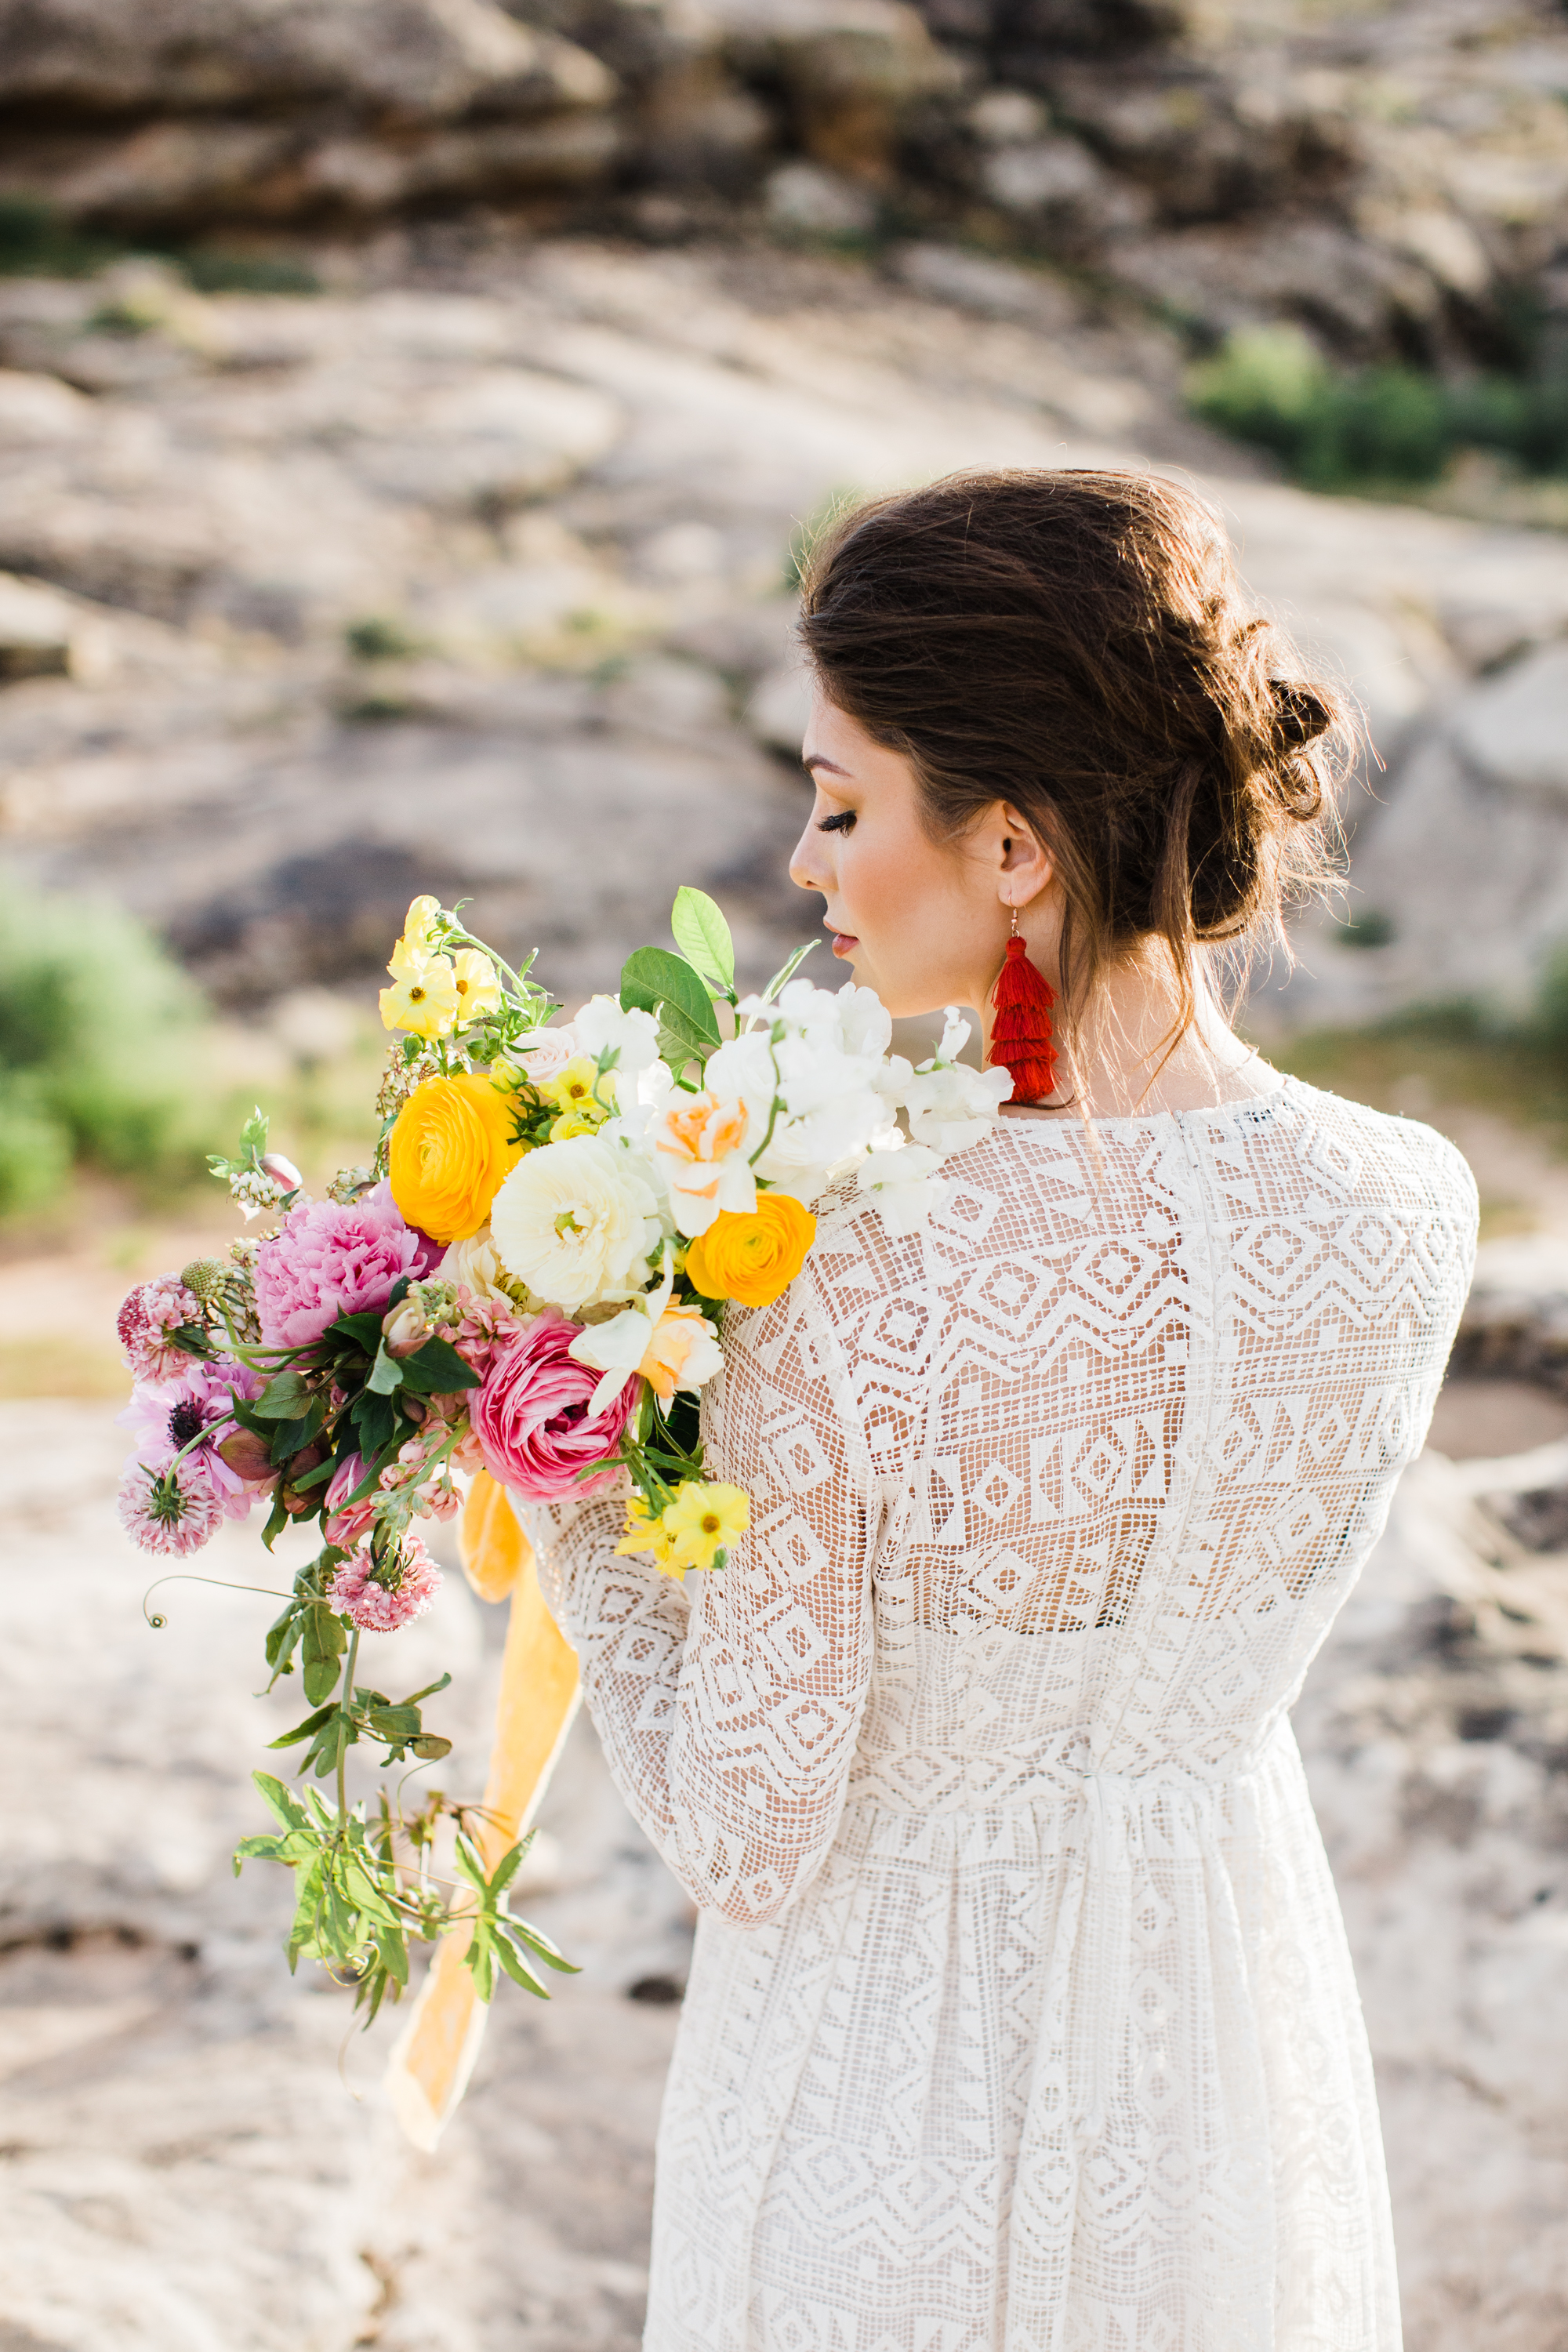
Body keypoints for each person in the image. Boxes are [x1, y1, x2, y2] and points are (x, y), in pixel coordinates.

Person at [526, 470, 1478, 2350]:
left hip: (884, 2099)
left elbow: (745, 1830)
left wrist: (564, 1471)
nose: (802, 864)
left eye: (839, 801)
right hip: (1220, 2067)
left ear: (1016, 850)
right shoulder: (1407, 1204)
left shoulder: (838, 1266)